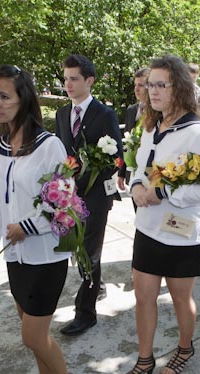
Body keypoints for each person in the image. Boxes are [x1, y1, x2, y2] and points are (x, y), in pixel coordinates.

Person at [119, 55, 200, 374]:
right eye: (150, 84)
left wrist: (165, 192)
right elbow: (140, 167)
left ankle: (185, 347)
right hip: (148, 228)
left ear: (179, 88)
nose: (153, 91)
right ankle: (144, 358)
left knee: (180, 298)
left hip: (182, 233)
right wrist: (137, 185)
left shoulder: (199, 134)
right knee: (143, 296)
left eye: (161, 85)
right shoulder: (151, 126)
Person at [0, 65, 74, 374]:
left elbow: (66, 201)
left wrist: (29, 226)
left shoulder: (49, 145)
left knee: (32, 335)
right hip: (14, 258)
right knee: (32, 332)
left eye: (4, 96)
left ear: (24, 99)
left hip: (46, 256)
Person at [54, 54, 123, 336]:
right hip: (67, 196)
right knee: (76, 248)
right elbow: (60, 152)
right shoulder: (61, 114)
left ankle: (86, 313)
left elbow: (116, 158)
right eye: (66, 79)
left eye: (74, 79)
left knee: (88, 252)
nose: (68, 85)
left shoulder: (105, 114)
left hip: (95, 197)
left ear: (89, 81)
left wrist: (88, 172)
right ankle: (97, 285)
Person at [118, 67, 150, 196]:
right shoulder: (132, 110)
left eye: (141, 85)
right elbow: (126, 144)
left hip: (149, 173)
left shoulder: (159, 112)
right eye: (135, 85)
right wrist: (121, 173)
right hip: (132, 172)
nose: (136, 89)